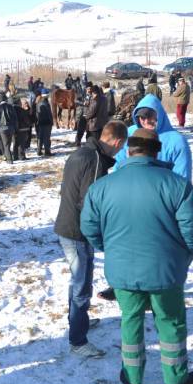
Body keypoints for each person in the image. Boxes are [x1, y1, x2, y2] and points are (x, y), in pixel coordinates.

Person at [81, 127, 193, 384]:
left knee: (130, 320)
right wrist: (182, 254)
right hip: (166, 272)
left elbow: (90, 228)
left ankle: (133, 379)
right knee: (171, 321)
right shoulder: (177, 185)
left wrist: (110, 248)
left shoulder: (102, 186)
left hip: (122, 271)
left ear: (129, 150)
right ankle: (175, 381)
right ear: (157, 151)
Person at [54, 121, 129, 358]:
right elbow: (88, 202)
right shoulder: (94, 160)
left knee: (81, 281)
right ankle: (78, 340)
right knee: (81, 285)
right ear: (117, 142)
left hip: (70, 226)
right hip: (76, 231)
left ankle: (79, 320)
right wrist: (103, 229)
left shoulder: (82, 152)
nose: (120, 151)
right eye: (121, 147)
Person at [114, 93, 192, 180]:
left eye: (150, 116)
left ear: (160, 115)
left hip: (163, 190)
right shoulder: (130, 133)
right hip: (131, 187)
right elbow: (119, 164)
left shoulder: (176, 141)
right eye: (142, 117)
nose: (147, 121)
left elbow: (182, 178)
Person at [79, 84, 107, 148]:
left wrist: (85, 116)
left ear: (94, 92)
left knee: (91, 142)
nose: (91, 95)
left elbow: (91, 112)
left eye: (92, 93)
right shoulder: (104, 99)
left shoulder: (95, 100)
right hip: (102, 123)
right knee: (99, 141)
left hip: (94, 125)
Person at [0, 92, 18, 163]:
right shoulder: (11, 106)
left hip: (2, 129)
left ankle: (9, 159)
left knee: (6, 144)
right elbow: (15, 118)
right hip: (11, 128)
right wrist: (15, 128)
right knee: (8, 143)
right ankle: (9, 156)